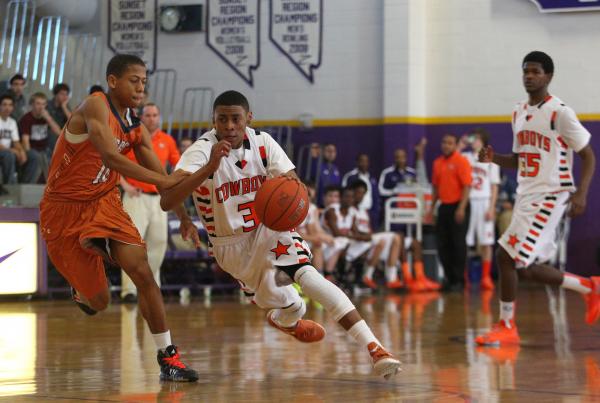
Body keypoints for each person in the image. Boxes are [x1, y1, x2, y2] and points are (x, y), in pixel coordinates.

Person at [160, 90, 401, 378]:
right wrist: (193, 202)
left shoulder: (263, 143)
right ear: (213, 120)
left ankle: (375, 348)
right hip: (230, 246)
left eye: (235, 119)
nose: (229, 126)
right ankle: (287, 320)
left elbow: (293, 182)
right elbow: (167, 198)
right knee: (292, 304)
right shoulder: (201, 150)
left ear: (248, 118)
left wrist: (291, 198)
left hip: (269, 227)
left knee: (309, 277)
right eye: (222, 119)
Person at [39, 54, 198, 381]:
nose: (141, 87)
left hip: (104, 202)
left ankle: (169, 357)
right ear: (113, 81)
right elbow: (110, 157)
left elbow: (160, 175)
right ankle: (81, 283)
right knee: (99, 302)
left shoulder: (135, 127)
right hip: (64, 209)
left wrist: (182, 216)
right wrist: (168, 182)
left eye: (144, 81)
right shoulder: (95, 105)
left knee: (142, 271)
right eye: (134, 80)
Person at [475, 51, 600, 346]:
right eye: (525, 71)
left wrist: (581, 192)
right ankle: (589, 286)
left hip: (550, 195)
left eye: (535, 71)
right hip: (526, 194)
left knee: (506, 255)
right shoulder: (519, 111)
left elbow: (588, 155)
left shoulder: (560, 112)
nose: (529, 76)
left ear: (548, 76)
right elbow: (519, 160)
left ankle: (507, 325)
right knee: (525, 267)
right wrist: (495, 159)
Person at [120, 103, 181, 302]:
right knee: (132, 245)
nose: (152, 118)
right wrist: (125, 187)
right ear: (142, 117)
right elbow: (114, 164)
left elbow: (178, 164)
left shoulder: (167, 140)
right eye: (148, 115)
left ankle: (149, 286)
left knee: (159, 242)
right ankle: (129, 290)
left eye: (155, 115)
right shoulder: (131, 138)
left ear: (159, 117)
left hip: (158, 199)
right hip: (135, 196)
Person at [426, 134, 472, 292]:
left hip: (459, 205)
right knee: (442, 244)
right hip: (444, 206)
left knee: (458, 244)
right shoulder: (437, 163)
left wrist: (461, 208)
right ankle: (449, 278)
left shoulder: (461, 161)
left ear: (455, 145)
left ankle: (459, 280)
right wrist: (431, 209)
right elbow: (435, 188)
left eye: (450, 143)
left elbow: (467, 186)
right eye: (444, 142)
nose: (446, 145)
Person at [462, 128, 500, 290]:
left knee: (486, 242)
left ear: (483, 142)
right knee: (464, 242)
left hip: (484, 202)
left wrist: (491, 208)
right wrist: (460, 145)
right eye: (473, 138)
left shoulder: (491, 161)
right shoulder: (464, 157)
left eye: (477, 138)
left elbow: (494, 187)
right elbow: (452, 157)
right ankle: (464, 277)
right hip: (468, 202)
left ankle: (485, 277)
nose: (474, 141)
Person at [349, 180, 403, 290]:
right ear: (352, 193)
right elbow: (353, 230)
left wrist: (369, 235)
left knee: (396, 239)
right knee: (385, 240)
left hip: (368, 240)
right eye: (358, 192)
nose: (360, 195)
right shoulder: (350, 209)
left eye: (363, 193)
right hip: (357, 242)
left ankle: (391, 279)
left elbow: (369, 230)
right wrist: (367, 235)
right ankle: (368, 276)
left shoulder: (364, 211)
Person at [19, 92, 62, 182]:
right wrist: (29, 153)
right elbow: (25, 141)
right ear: (32, 105)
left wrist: (48, 118)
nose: (41, 107)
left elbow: (59, 132)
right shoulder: (26, 119)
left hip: (44, 149)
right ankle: (29, 184)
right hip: (31, 148)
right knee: (37, 158)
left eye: (43, 104)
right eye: (38, 103)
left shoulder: (46, 117)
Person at [342, 153, 380, 228]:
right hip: (354, 211)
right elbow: (345, 193)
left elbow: (375, 196)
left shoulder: (372, 178)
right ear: (357, 162)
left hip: (370, 211)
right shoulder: (350, 177)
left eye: (366, 161)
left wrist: (375, 212)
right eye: (361, 161)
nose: (364, 164)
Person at [0, 94, 28, 184]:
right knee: (9, 155)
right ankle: (8, 185)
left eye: (10, 105)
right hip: (4, 151)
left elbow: (16, 142)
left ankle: (24, 184)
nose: (7, 108)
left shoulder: (12, 122)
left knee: (31, 156)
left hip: (6, 151)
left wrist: (21, 151)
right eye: (4, 105)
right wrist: (12, 150)